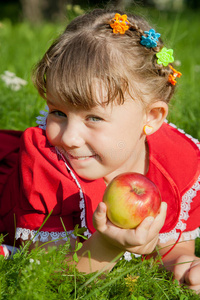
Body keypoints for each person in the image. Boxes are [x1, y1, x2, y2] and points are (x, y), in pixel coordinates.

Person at [0, 8, 200, 292]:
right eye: (58, 112)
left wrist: (185, 266)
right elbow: (49, 274)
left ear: (152, 117)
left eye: (93, 117)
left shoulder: (176, 162)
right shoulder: (46, 166)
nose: (68, 138)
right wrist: (106, 246)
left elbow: (173, 246)